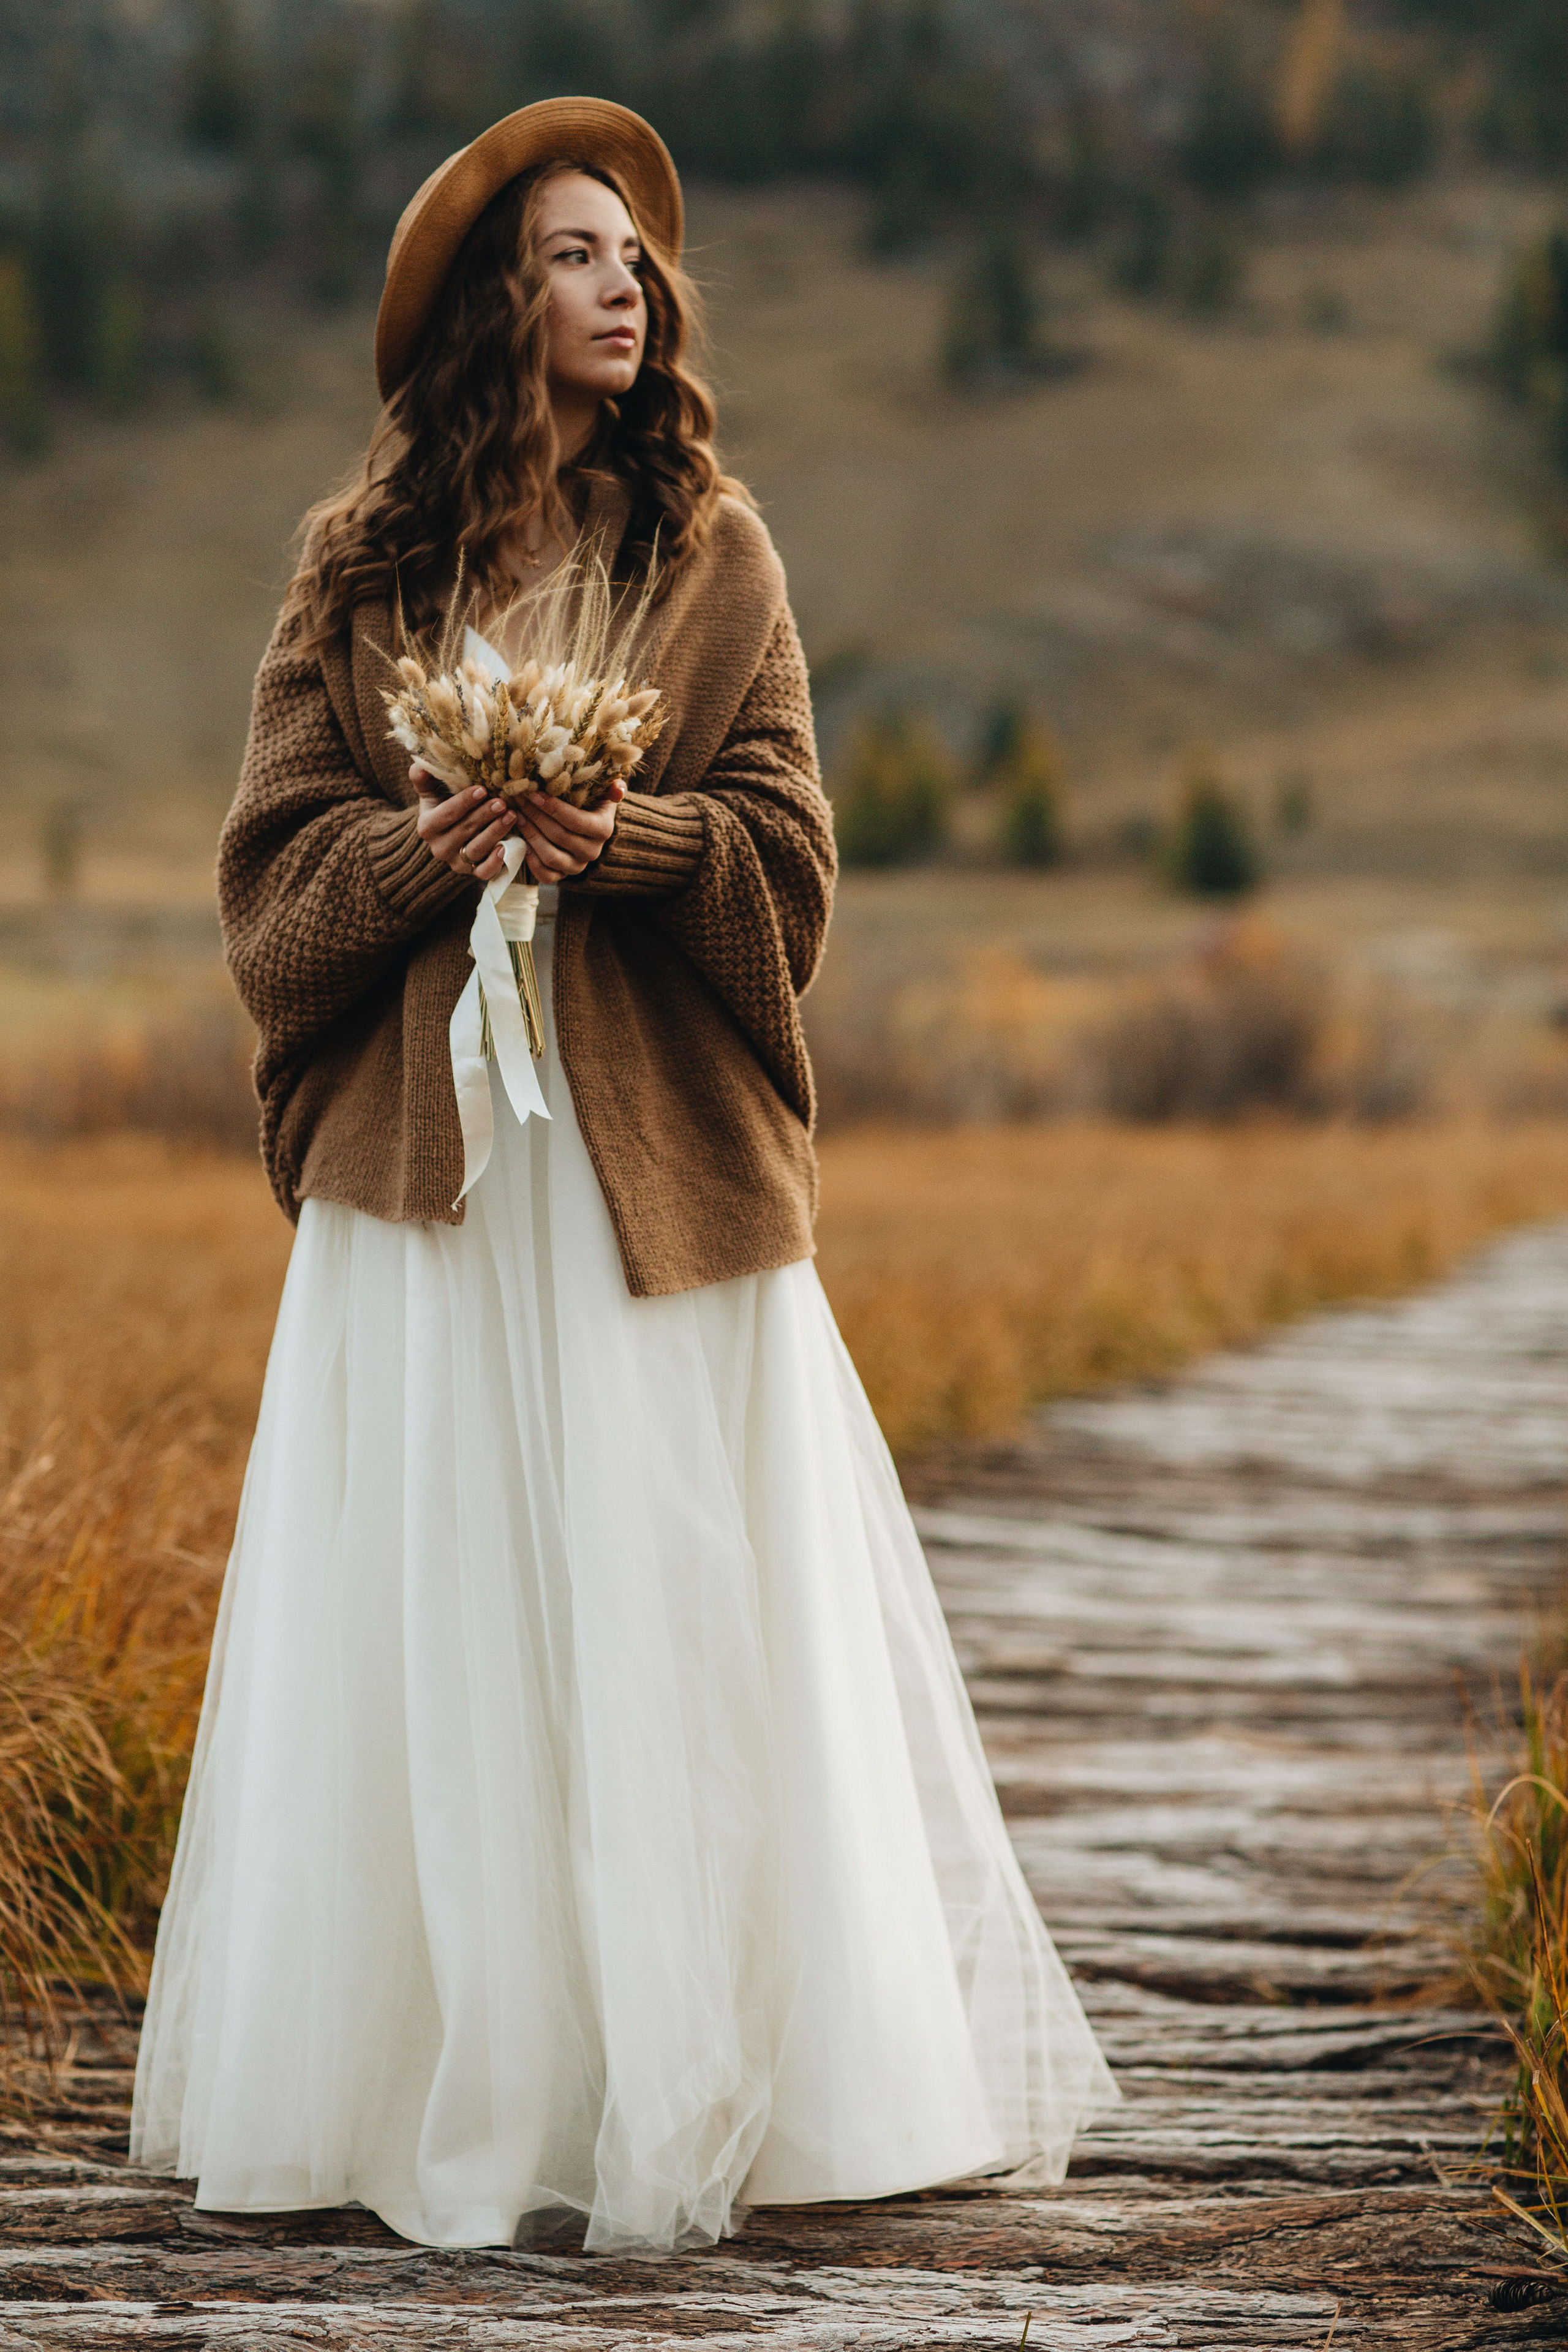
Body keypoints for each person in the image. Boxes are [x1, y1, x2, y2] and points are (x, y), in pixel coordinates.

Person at [130, 97, 1117, 2256]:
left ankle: (725, 2091)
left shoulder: (717, 556)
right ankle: (477, 2096)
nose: (627, 283)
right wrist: (432, 846)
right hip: (438, 1193)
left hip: (651, 1189)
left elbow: (791, 852)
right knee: (457, 1628)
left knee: (679, 1618)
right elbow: (270, 890)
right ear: (500, 302)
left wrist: (627, 836)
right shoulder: (358, 575)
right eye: (579, 253)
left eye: (637, 257)